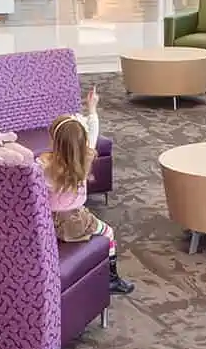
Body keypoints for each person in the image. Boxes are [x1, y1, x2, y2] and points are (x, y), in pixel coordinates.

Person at [40, 94, 135, 295]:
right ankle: (112, 278)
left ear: (53, 139)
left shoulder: (42, 165)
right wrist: (92, 108)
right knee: (108, 233)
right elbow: (94, 132)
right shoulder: (85, 160)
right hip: (77, 222)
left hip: (48, 223)